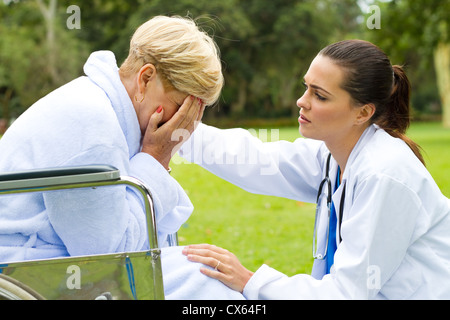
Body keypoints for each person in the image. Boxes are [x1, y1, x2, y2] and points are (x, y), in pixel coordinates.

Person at [180, 40, 450, 299]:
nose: (302, 101)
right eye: (306, 87)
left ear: (362, 113)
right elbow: (256, 160)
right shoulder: (334, 155)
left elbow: (345, 294)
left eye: (319, 95)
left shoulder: (385, 175)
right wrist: (179, 130)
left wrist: (251, 281)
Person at [0, 15, 244, 299]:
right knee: (208, 284)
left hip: (47, 267)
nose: (184, 125)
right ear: (146, 78)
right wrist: (155, 158)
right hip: (27, 276)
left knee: (209, 275)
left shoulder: (100, 108)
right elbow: (109, 257)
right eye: (181, 107)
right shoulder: (91, 125)